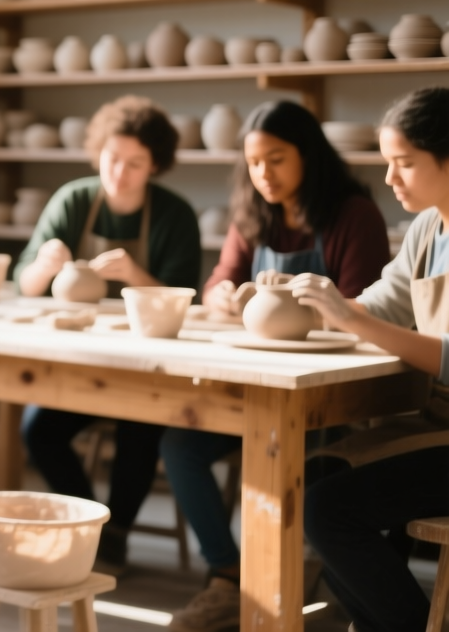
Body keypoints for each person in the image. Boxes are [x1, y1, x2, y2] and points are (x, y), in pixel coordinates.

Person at [162, 99, 390, 632]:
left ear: (308, 154)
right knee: (180, 444)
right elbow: (219, 281)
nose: (263, 173)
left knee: (306, 471)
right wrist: (222, 297)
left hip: (334, 393)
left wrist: (303, 305)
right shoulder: (255, 214)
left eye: (277, 159)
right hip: (259, 383)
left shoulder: (352, 214)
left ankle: (303, 579)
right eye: (254, 162)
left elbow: (370, 311)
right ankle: (227, 574)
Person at [13, 96, 201, 572]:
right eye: (112, 158)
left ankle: (113, 538)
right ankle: (91, 522)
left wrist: (136, 272)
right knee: (38, 430)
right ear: (98, 151)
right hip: (79, 359)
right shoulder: (75, 199)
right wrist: (44, 265)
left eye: (135, 163)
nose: (119, 172)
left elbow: (188, 299)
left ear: (155, 164)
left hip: (149, 363)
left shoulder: (174, 214)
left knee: (142, 425)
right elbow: (25, 289)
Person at [296, 87, 449, 632]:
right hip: (438, 425)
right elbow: (379, 304)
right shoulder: (428, 229)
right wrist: (305, 304)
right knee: (307, 479)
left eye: (404, 163)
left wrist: (354, 320)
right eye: (387, 163)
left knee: (327, 509)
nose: (390, 179)